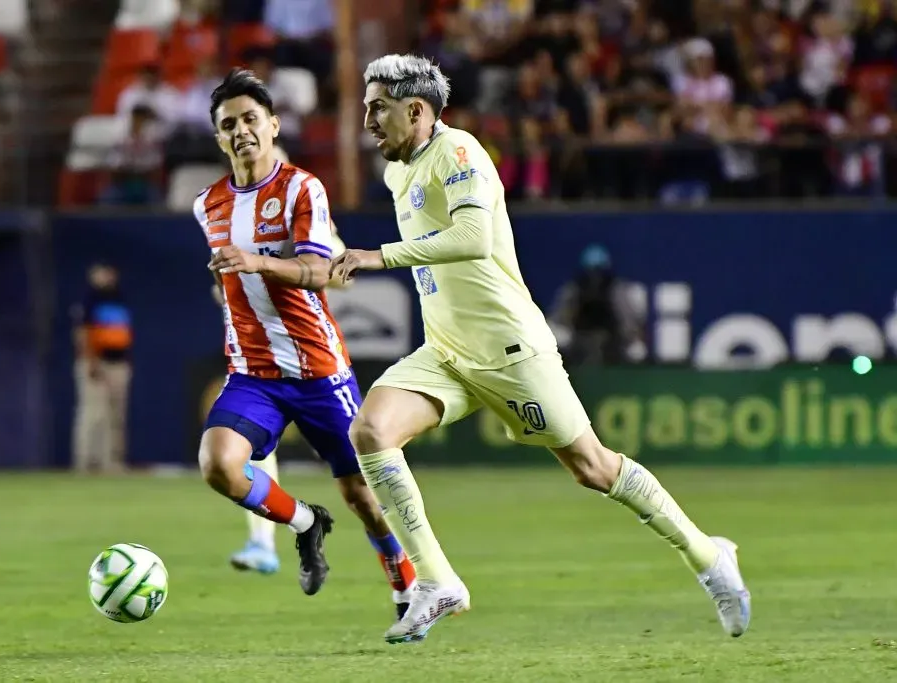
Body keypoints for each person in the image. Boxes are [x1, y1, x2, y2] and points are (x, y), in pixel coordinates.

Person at [330, 54, 752, 644]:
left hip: (509, 351)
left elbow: (475, 238)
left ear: (417, 110)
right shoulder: (398, 170)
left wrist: (381, 256)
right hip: (447, 354)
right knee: (371, 432)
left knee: (593, 468)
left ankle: (709, 558)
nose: (368, 120)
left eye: (378, 108)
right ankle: (436, 579)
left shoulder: (460, 154)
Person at [193, 68, 416, 614]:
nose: (241, 130)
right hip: (253, 373)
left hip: (317, 369)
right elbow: (226, 274)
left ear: (272, 125)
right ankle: (305, 522)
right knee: (218, 464)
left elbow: (320, 272)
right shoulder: (207, 205)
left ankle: (407, 580)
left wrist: (254, 263)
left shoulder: (301, 188)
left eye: (250, 119)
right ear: (219, 138)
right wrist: (231, 282)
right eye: (229, 124)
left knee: (362, 495)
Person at [214, 223, 350, 575]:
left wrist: (277, 268)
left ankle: (412, 572)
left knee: (360, 475)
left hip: (310, 362)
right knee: (245, 451)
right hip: (260, 360)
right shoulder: (233, 219)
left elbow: (341, 276)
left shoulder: (305, 218)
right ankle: (264, 540)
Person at [71, 263, 133, 473]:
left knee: (116, 415)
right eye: (101, 274)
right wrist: (90, 361)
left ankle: (112, 463)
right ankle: (87, 462)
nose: (106, 277)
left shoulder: (119, 299)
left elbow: (123, 332)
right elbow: (82, 333)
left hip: (118, 363)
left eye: (109, 273)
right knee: (94, 414)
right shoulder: (89, 300)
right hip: (97, 363)